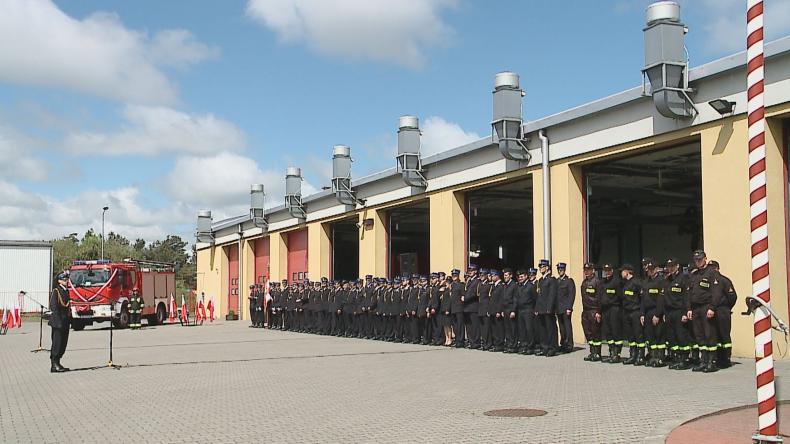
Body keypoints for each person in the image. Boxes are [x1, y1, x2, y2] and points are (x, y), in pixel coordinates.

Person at [688, 250, 719, 373]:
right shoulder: (694, 274)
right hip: (696, 308)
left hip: (706, 307)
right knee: (699, 335)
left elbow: (716, 293)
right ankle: (703, 361)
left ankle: (712, 362)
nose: (698, 262)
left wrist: (712, 307)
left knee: (709, 334)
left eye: (700, 259)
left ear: (705, 259)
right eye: (696, 260)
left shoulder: (712, 273)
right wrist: (689, 308)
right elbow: (689, 293)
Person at [664, 258, 692, 370]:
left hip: (679, 311)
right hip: (669, 312)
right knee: (672, 337)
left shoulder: (683, 279)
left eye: (672, 266)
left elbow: (686, 297)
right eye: (669, 266)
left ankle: (684, 360)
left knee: (682, 336)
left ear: (677, 266)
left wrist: (685, 312)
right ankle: (677, 359)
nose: (670, 268)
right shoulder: (667, 279)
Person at [709, 260, 737, 369]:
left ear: (717, 268)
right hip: (712, 311)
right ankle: (718, 358)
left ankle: (726, 359)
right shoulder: (709, 281)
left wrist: (726, 307)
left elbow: (732, 297)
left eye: (713, 267)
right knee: (715, 336)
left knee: (724, 335)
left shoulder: (724, 281)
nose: (711, 270)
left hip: (722, 311)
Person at [535, 259, 558, 357]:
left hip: (548, 309)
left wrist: (550, 308)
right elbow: (539, 296)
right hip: (541, 309)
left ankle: (552, 348)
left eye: (542, 266)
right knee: (542, 329)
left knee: (550, 329)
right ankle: (544, 348)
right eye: (540, 267)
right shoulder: (540, 280)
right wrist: (536, 308)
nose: (540, 268)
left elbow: (552, 295)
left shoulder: (551, 279)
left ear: (547, 267)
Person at [49, 273, 72, 372]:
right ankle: (54, 364)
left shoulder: (66, 291)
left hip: (65, 320)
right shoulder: (56, 291)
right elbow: (54, 307)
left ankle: (58, 362)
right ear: (59, 281)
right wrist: (58, 322)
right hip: (58, 321)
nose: (66, 281)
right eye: (64, 279)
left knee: (63, 343)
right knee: (57, 343)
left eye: (67, 279)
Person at [580, 263, 602, 361]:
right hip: (586, 311)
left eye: (588, 270)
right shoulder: (584, 283)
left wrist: (598, 312)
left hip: (594, 310)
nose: (586, 272)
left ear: (593, 270)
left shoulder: (597, 282)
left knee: (595, 332)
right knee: (588, 332)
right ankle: (592, 352)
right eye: (585, 270)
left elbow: (600, 298)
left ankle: (597, 353)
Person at [555, 263, 575, 353]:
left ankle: (569, 345)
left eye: (561, 269)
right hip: (558, 308)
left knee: (567, 327)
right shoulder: (557, 281)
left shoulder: (569, 281)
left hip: (566, 308)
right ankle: (563, 343)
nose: (560, 271)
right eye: (559, 269)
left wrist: (569, 308)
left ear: (565, 270)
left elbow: (571, 295)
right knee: (561, 327)